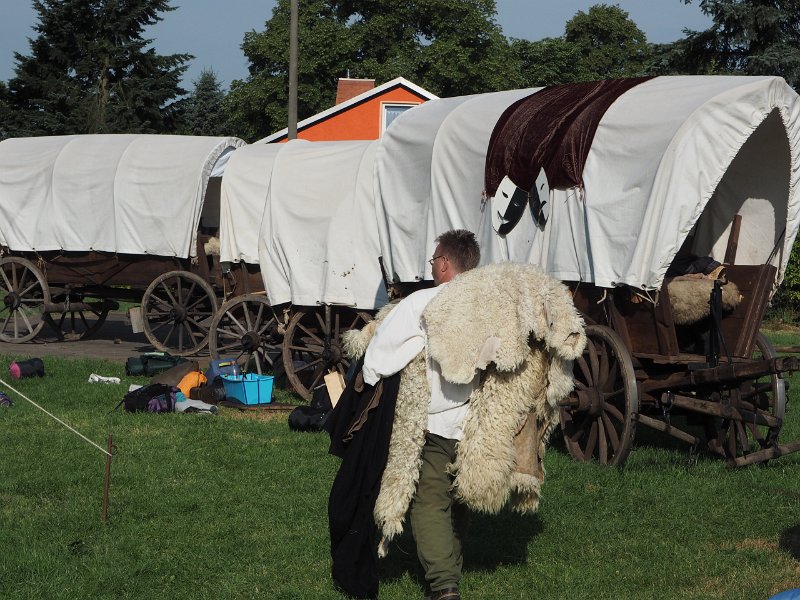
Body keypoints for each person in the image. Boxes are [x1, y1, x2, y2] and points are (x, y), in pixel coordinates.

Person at [362, 229, 481, 600]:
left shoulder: (423, 304)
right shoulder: (486, 305)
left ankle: (444, 587)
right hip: (478, 423)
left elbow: (381, 356)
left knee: (429, 501)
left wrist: (367, 381)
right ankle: (445, 571)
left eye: (433, 261)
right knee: (459, 500)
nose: (433, 268)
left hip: (435, 422)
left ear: (445, 263)